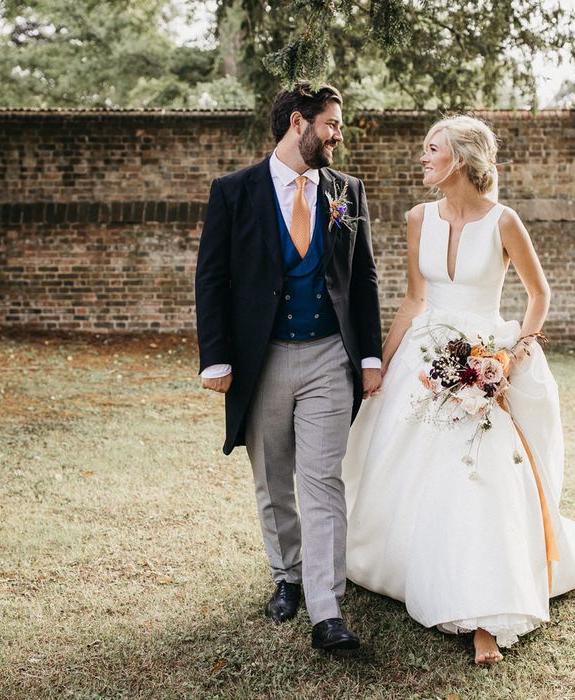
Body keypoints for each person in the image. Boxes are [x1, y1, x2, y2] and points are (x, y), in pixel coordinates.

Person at [341, 115, 575, 664]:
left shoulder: (504, 221)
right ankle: (416, 569)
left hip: (484, 357)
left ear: (459, 159)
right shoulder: (417, 218)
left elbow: (539, 294)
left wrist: (514, 354)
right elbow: (414, 300)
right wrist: (379, 365)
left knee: (478, 474)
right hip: (423, 356)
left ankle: (485, 611)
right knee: (410, 469)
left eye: (431, 149)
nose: (422, 158)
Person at [195, 82, 383, 650]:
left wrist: (369, 356)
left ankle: (327, 612)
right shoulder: (234, 191)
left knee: (322, 480)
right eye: (331, 124)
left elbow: (365, 277)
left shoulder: (347, 190)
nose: (338, 135)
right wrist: (217, 357)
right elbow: (212, 278)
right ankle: (288, 576)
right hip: (264, 357)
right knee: (273, 477)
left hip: (330, 355)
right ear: (298, 122)